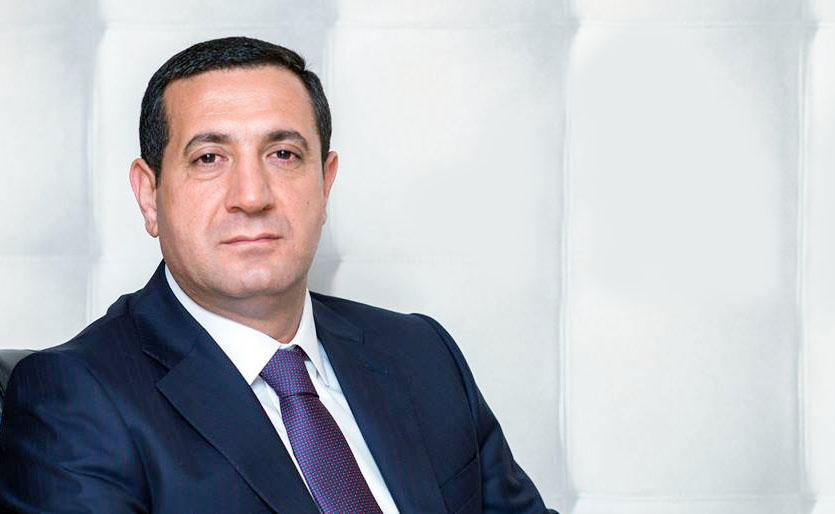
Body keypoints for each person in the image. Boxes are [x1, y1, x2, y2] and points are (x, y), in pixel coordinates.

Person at [0, 37, 554, 513]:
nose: (251, 196)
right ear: (150, 195)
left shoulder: (421, 354)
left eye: (284, 154)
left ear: (325, 182)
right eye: (209, 158)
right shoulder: (73, 399)